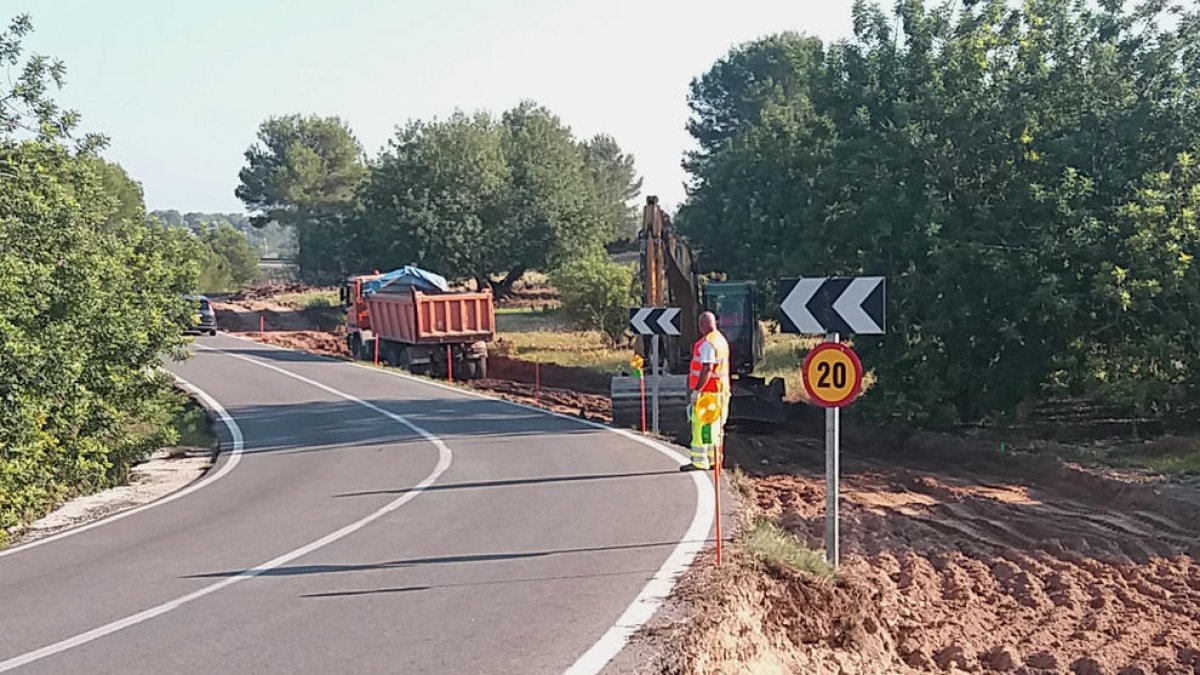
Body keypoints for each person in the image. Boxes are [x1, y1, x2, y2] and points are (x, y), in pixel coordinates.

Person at [681, 311, 730, 472]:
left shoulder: (707, 344)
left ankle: (699, 462)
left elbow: (706, 368)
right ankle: (714, 460)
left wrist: (697, 391)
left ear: (701, 325)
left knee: (700, 426)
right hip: (721, 391)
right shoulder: (720, 340)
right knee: (716, 427)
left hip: (707, 394)